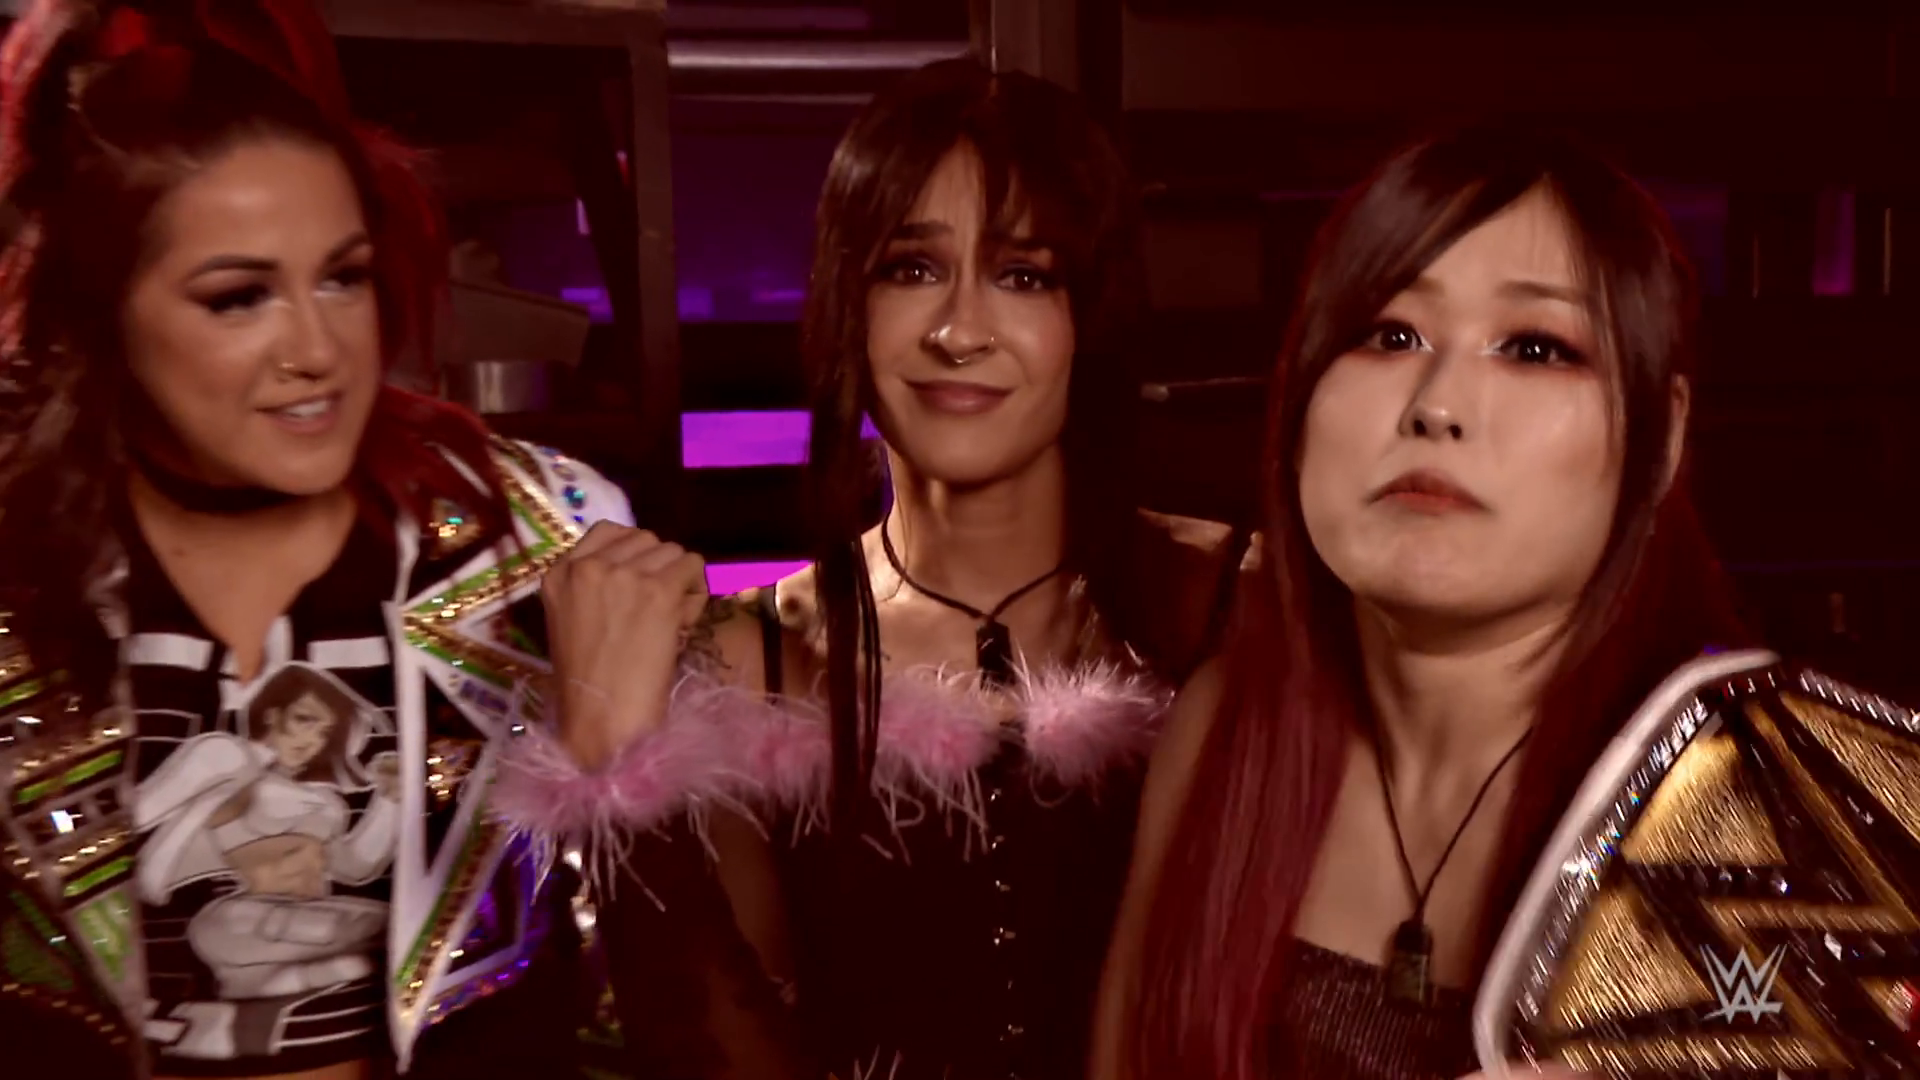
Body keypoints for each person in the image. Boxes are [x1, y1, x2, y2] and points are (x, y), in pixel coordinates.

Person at [493, 58, 1246, 1080]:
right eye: (912, 268)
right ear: (848, 302)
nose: (959, 330)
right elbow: (711, 1057)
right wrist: (616, 772)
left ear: (1093, 314)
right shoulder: (749, 656)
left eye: (1024, 275)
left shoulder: (1235, 604)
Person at [0, 1, 632, 1076]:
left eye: (342, 276)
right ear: (102, 314)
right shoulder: (26, 588)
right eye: (238, 297)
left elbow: (673, 998)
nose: (318, 350)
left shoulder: (541, 539)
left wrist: (619, 764)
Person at [1092, 123, 1755, 1080]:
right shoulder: (1221, 734)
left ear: (1660, 440)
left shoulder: (1760, 806)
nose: (1437, 403)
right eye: (1390, 335)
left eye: (1534, 347)